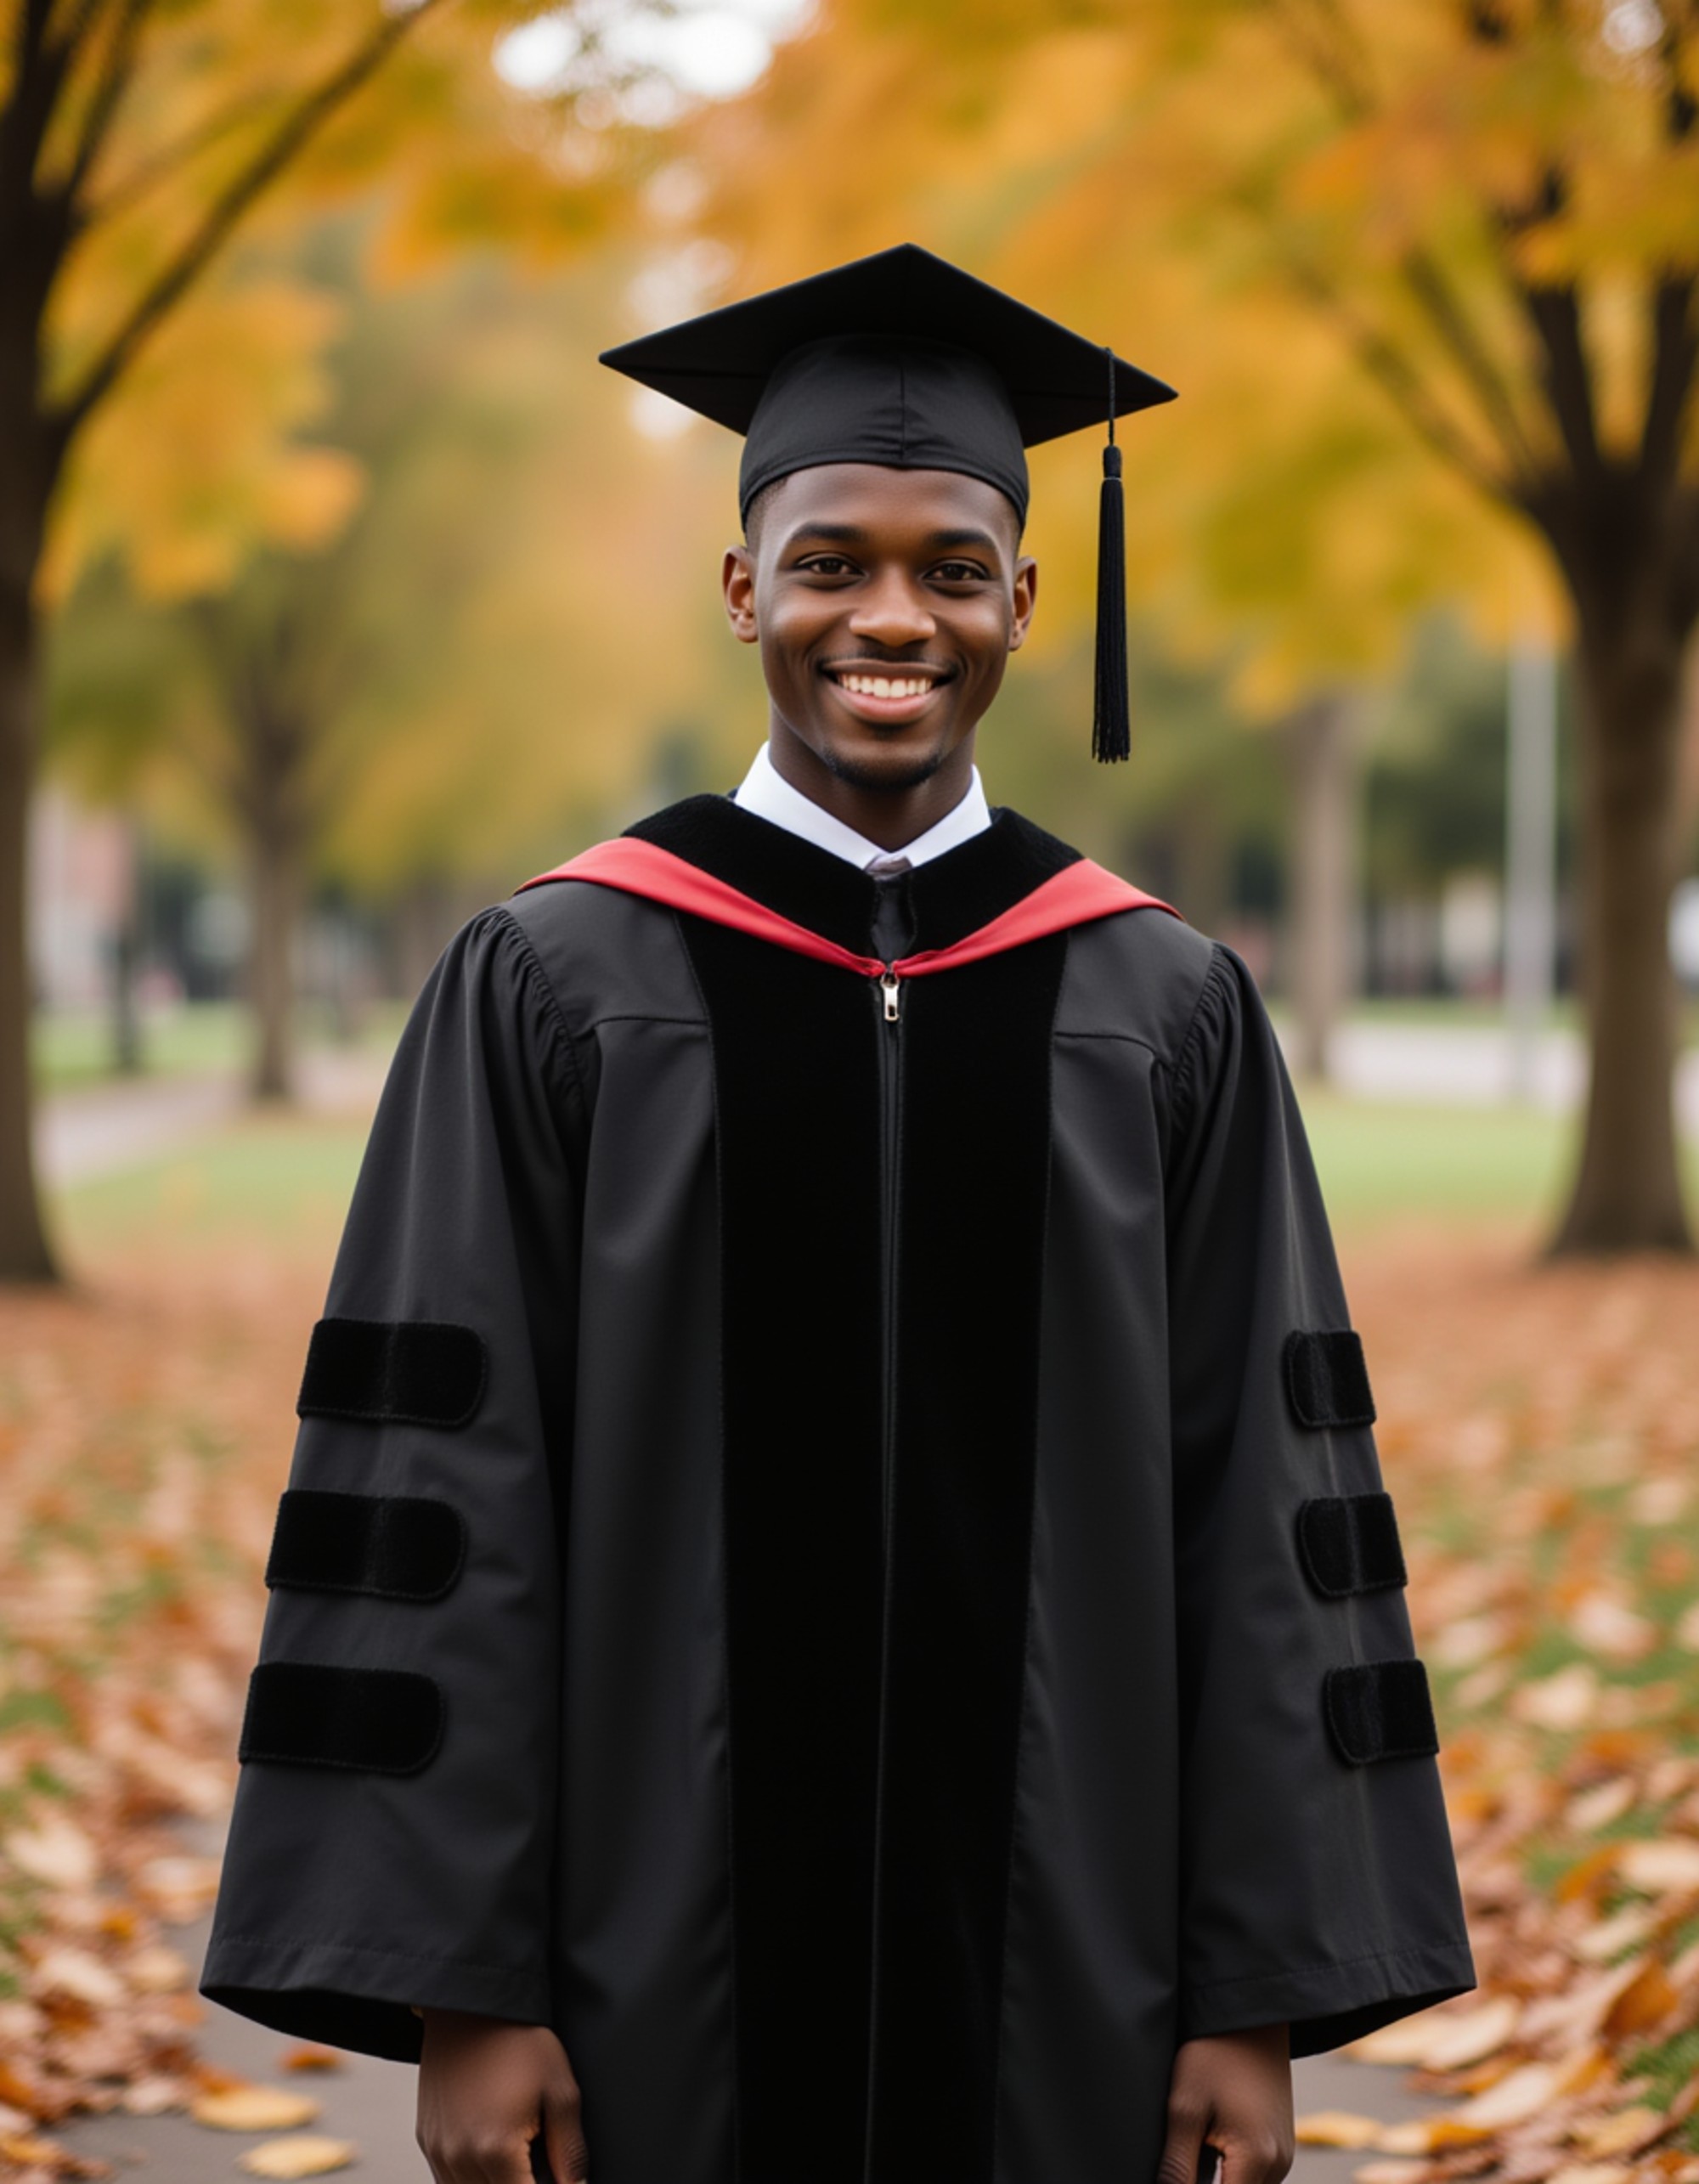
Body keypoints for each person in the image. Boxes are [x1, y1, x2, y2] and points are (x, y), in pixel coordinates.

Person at [200, 244, 1475, 2184]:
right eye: (831, 561)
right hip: (646, 1985)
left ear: (1027, 601)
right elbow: (448, 1500)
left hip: (1082, 1981)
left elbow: (1265, 1533)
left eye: (952, 568)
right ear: (742, 589)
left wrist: (1255, 1993)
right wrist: (461, 1988)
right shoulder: (553, 980)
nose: (893, 614)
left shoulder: (1161, 1006)